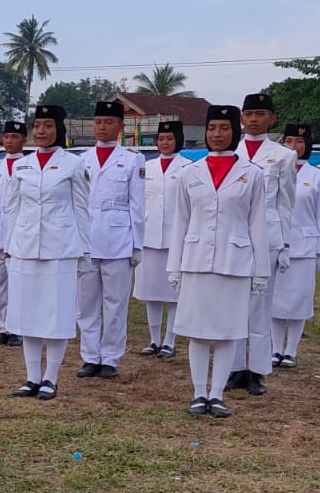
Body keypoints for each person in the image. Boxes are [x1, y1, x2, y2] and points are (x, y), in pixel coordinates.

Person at [168, 105, 270, 418]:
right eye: (212, 128)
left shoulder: (252, 175)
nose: (217, 135)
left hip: (235, 261)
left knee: (229, 331)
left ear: (235, 131)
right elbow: (181, 222)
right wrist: (175, 266)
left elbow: (257, 224)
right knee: (197, 330)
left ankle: (217, 394)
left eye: (224, 128)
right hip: (196, 260)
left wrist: (260, 271)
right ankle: (199, 393)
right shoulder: (189, 174)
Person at [2, 105, 90, 400]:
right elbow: (12, 208)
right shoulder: (22, 166)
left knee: (56, 315)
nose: (41, 131)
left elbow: (81, 209)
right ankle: (31, 377)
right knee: (27, 314)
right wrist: (8, 245)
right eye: (37, 125)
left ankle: (51, 377)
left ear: (59, 129)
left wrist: (84, 250)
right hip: (25, 246)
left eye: (48, 125)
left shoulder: (72, 164)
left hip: (60, 248)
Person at [225, 92, 296, 396]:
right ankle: (234, 367)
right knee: (233, 304)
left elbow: (286, 204)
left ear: (272, 118)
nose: (253, 119)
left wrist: (286, 244)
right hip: (234, 235)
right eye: (249, 114)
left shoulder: (283, 155)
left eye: (260, 114)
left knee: (260, 305)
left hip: (267, 235)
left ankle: (257, 370)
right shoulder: (230, 151)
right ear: (241, 117)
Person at [76, 100, 145, 379]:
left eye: (108, 122)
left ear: (120, 126)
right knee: (86, 303)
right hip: (87, 239)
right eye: (98, 122)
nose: (102, 127)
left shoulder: (131, 159)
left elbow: (138, 205)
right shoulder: (81, 160)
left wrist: (137, 244)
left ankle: (111, 357)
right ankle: (90, 355)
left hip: (119, 238)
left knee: (115, 303)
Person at [269, 125, 320, 367]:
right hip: (277, 243)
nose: (294, 146)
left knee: (299, 301)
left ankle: (291, 350)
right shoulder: (274, 171)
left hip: (305, 247)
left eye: (299, 141)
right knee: (275, 300)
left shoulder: (319, 177)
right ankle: (275, 349)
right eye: (289, 140)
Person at [136, 118, 186, 360]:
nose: (165, 142)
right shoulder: (148, 167)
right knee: (151, 291)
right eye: (161, 139)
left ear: (178, 140)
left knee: (174, 293)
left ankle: (170, 340)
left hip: (176, 237)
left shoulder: (188, 167)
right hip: (149, 235)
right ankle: (154, 339)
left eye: (170, 138)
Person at [0, 121, 28, 347]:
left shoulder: (28, 166)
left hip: (20, 231)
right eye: (6, 137)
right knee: (0, 282)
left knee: (19, 282)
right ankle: (3, 325)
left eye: (14, 137)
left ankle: (19, 326)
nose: (9, 141)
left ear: (23, 139)